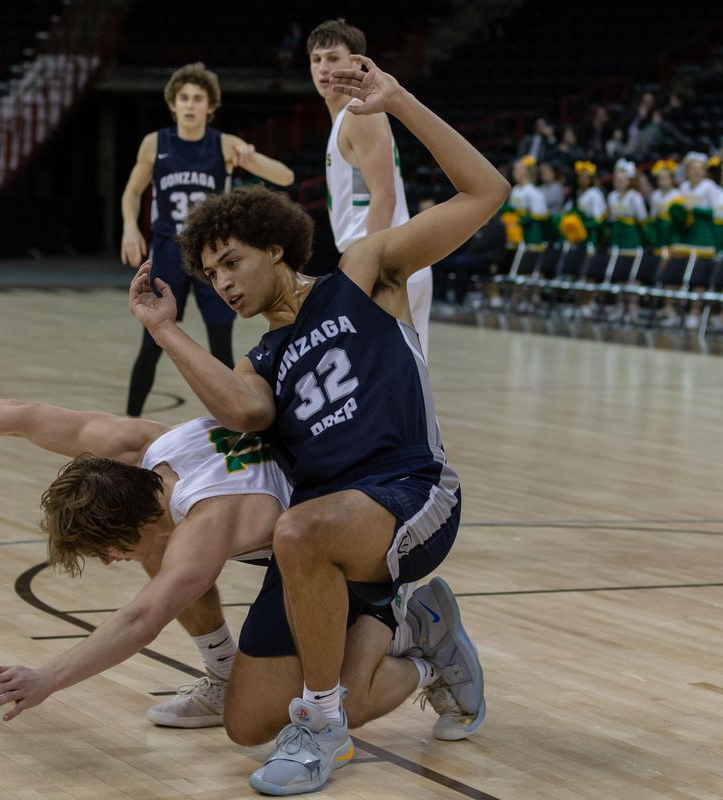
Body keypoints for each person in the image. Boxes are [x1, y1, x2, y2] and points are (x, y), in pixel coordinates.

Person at [130, 55, 505, 795]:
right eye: (212, 276)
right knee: (246, 721)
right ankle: (422, 646)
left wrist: (399, 102)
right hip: (327, 539)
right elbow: (244, 414)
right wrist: (166, 329)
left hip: (412, 497)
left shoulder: (364, 272)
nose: (226, 283)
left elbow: (486, 190)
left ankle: (324, 728)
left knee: (298, 532)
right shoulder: (257, 358)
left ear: (275, 246)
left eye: (232, 261)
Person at [0, 402, 476, 741]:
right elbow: (22, 417)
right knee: (244, 708)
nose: (113, 560)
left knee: (340, 703)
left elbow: (141, 618)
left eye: (112, 549)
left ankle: (424, 640)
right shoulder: (143, 453)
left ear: (129, 522)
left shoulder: (209, 522)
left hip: (366, 538)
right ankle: (224, 679)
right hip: (307, 530)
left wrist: (47, 678)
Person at [119, 62, 294, 417]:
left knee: (220, 346)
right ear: (173, 104)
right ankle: (129, 423)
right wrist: (129, 226)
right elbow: (131, 192)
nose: (189, 104)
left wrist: (251, 156)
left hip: (211, 257)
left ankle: (235, 426)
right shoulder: (155, 143)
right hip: (168, 250)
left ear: (210, 106)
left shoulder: (225, 144)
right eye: (183, 97)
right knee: (151, 343)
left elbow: (285, 177)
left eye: (197, 98)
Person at [307, 19, 434, 359]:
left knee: (389, 386)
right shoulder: (345, 118)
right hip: (386, 258)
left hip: (386, 261)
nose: (323, 67)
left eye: (333, 58)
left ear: (357, 63)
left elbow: (384, 195)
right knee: (402, 387)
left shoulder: (359, 113)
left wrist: (368, 272)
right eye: (316, 59)